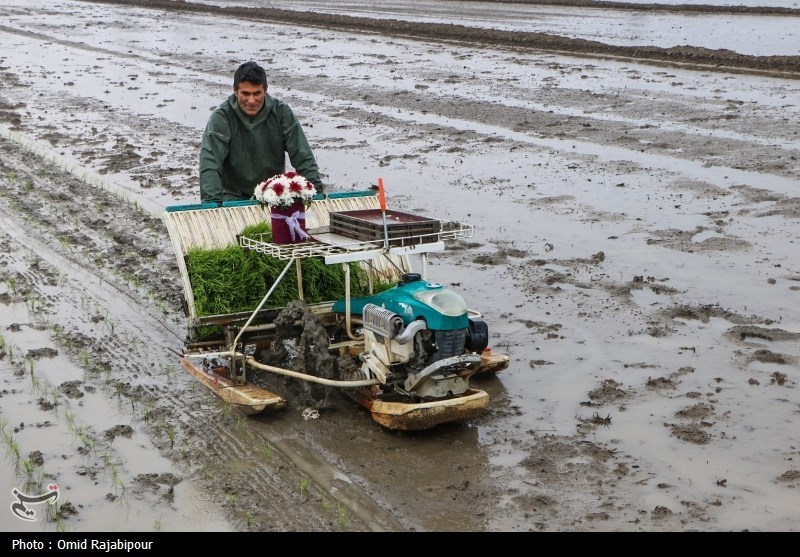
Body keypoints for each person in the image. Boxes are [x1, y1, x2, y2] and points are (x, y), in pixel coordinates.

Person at [199, 61, 325, 205]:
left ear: (265, 90)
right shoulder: (221, 117)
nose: (251, 100)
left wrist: (317, 194)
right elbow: (210, 164)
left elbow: (303, 157)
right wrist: (211, 204)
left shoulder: (281, 112)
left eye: (257, 93)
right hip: (233, 197)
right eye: (245, 94)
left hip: (272, 195)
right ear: (235, 91)